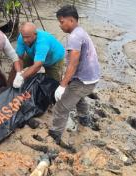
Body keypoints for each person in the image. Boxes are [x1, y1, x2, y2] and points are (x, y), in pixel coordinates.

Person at [49, 5, 100, 148]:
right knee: (77, 95)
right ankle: (84, 119)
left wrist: (62, 85)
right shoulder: (80, 31)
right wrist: (68, 81)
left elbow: (73, 64)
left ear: (71, 20)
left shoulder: (75, 37)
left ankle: (55, 135)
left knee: (61, 107)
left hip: (85, 80)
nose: (60, 25)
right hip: (91, 77)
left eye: (61, 21)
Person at [12, 22, 65, 88]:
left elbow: (37, 66)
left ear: (35, 34)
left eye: (28, 37)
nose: (25, 40)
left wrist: (22, 77)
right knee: (15, 66)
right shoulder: (21, 37)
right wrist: (19, 73)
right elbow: (19, 57)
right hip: (34, 54)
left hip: (54, 59)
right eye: (23, 37)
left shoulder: (42, 41)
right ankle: (9, 88)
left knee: (53, 84)